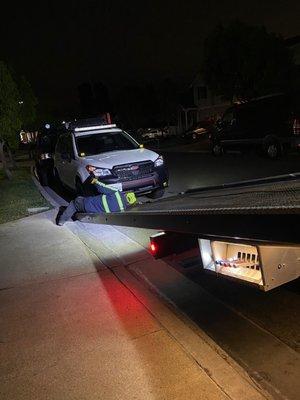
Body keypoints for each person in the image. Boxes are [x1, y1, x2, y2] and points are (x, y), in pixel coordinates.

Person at [56, 176, 137, 226]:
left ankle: (62, 220)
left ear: (126, 194)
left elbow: (102, 187)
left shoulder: (117, 193)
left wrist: (95, 180)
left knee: (74, 203)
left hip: (87, 204)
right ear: (129, 203)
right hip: (94, 213)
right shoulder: (121, 208)